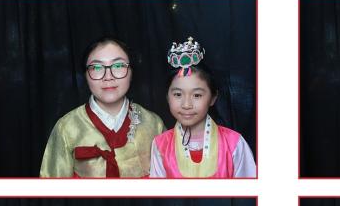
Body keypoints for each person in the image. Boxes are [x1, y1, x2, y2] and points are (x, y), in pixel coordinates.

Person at [40, 38, 165, 177]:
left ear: (131, 72)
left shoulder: (154, 124)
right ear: (85, 75)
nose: (108, 77)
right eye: (97, 68)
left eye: (118, 65)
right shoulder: (67, 127)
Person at [150, 38, 256, 177]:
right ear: (167, 97)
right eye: (178, 94)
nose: (186, 104)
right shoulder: (160, 145)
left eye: (197, 95)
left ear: (213, 98)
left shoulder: (234, 143)